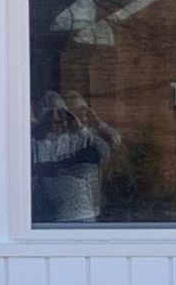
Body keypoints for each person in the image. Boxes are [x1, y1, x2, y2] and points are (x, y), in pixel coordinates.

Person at [31, 89, 121, 224]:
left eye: (63, 115)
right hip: (49, 215)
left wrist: (97, 124)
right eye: (51, 115)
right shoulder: (36, 142)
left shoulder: (79, 138)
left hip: (83, 214)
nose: (57, 120)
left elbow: (112, 143)